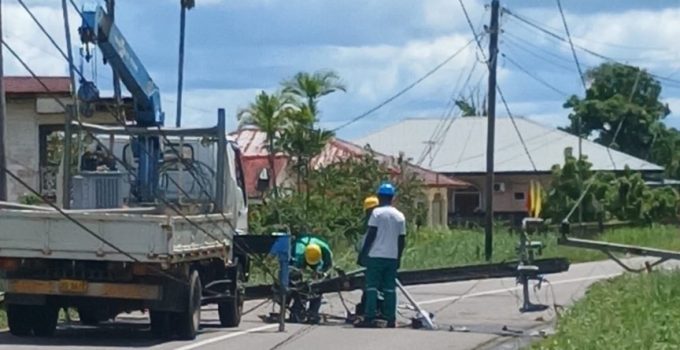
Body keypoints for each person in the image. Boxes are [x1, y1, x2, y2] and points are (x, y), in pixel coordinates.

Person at [355, 182, 406, 328]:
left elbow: (371, 234)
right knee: (390, 288)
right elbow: (402, 240)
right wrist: (398, 257)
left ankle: (369, 316)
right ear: (392, 197)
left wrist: (363, 254)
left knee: (372, 287)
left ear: (379, 196)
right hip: (391, 256)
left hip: (375, 256)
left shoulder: (376, 213)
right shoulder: (400, 216)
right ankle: (390, 318)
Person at [289, 234, 333, 324]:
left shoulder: (325, 249)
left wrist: (322, 274)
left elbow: (329, 265)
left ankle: (313, 311)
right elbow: (295, 269)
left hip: (316, 257)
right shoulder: (299, 252)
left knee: (319, 285)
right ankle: (298, 308)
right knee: (296, 282)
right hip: (300, 257)